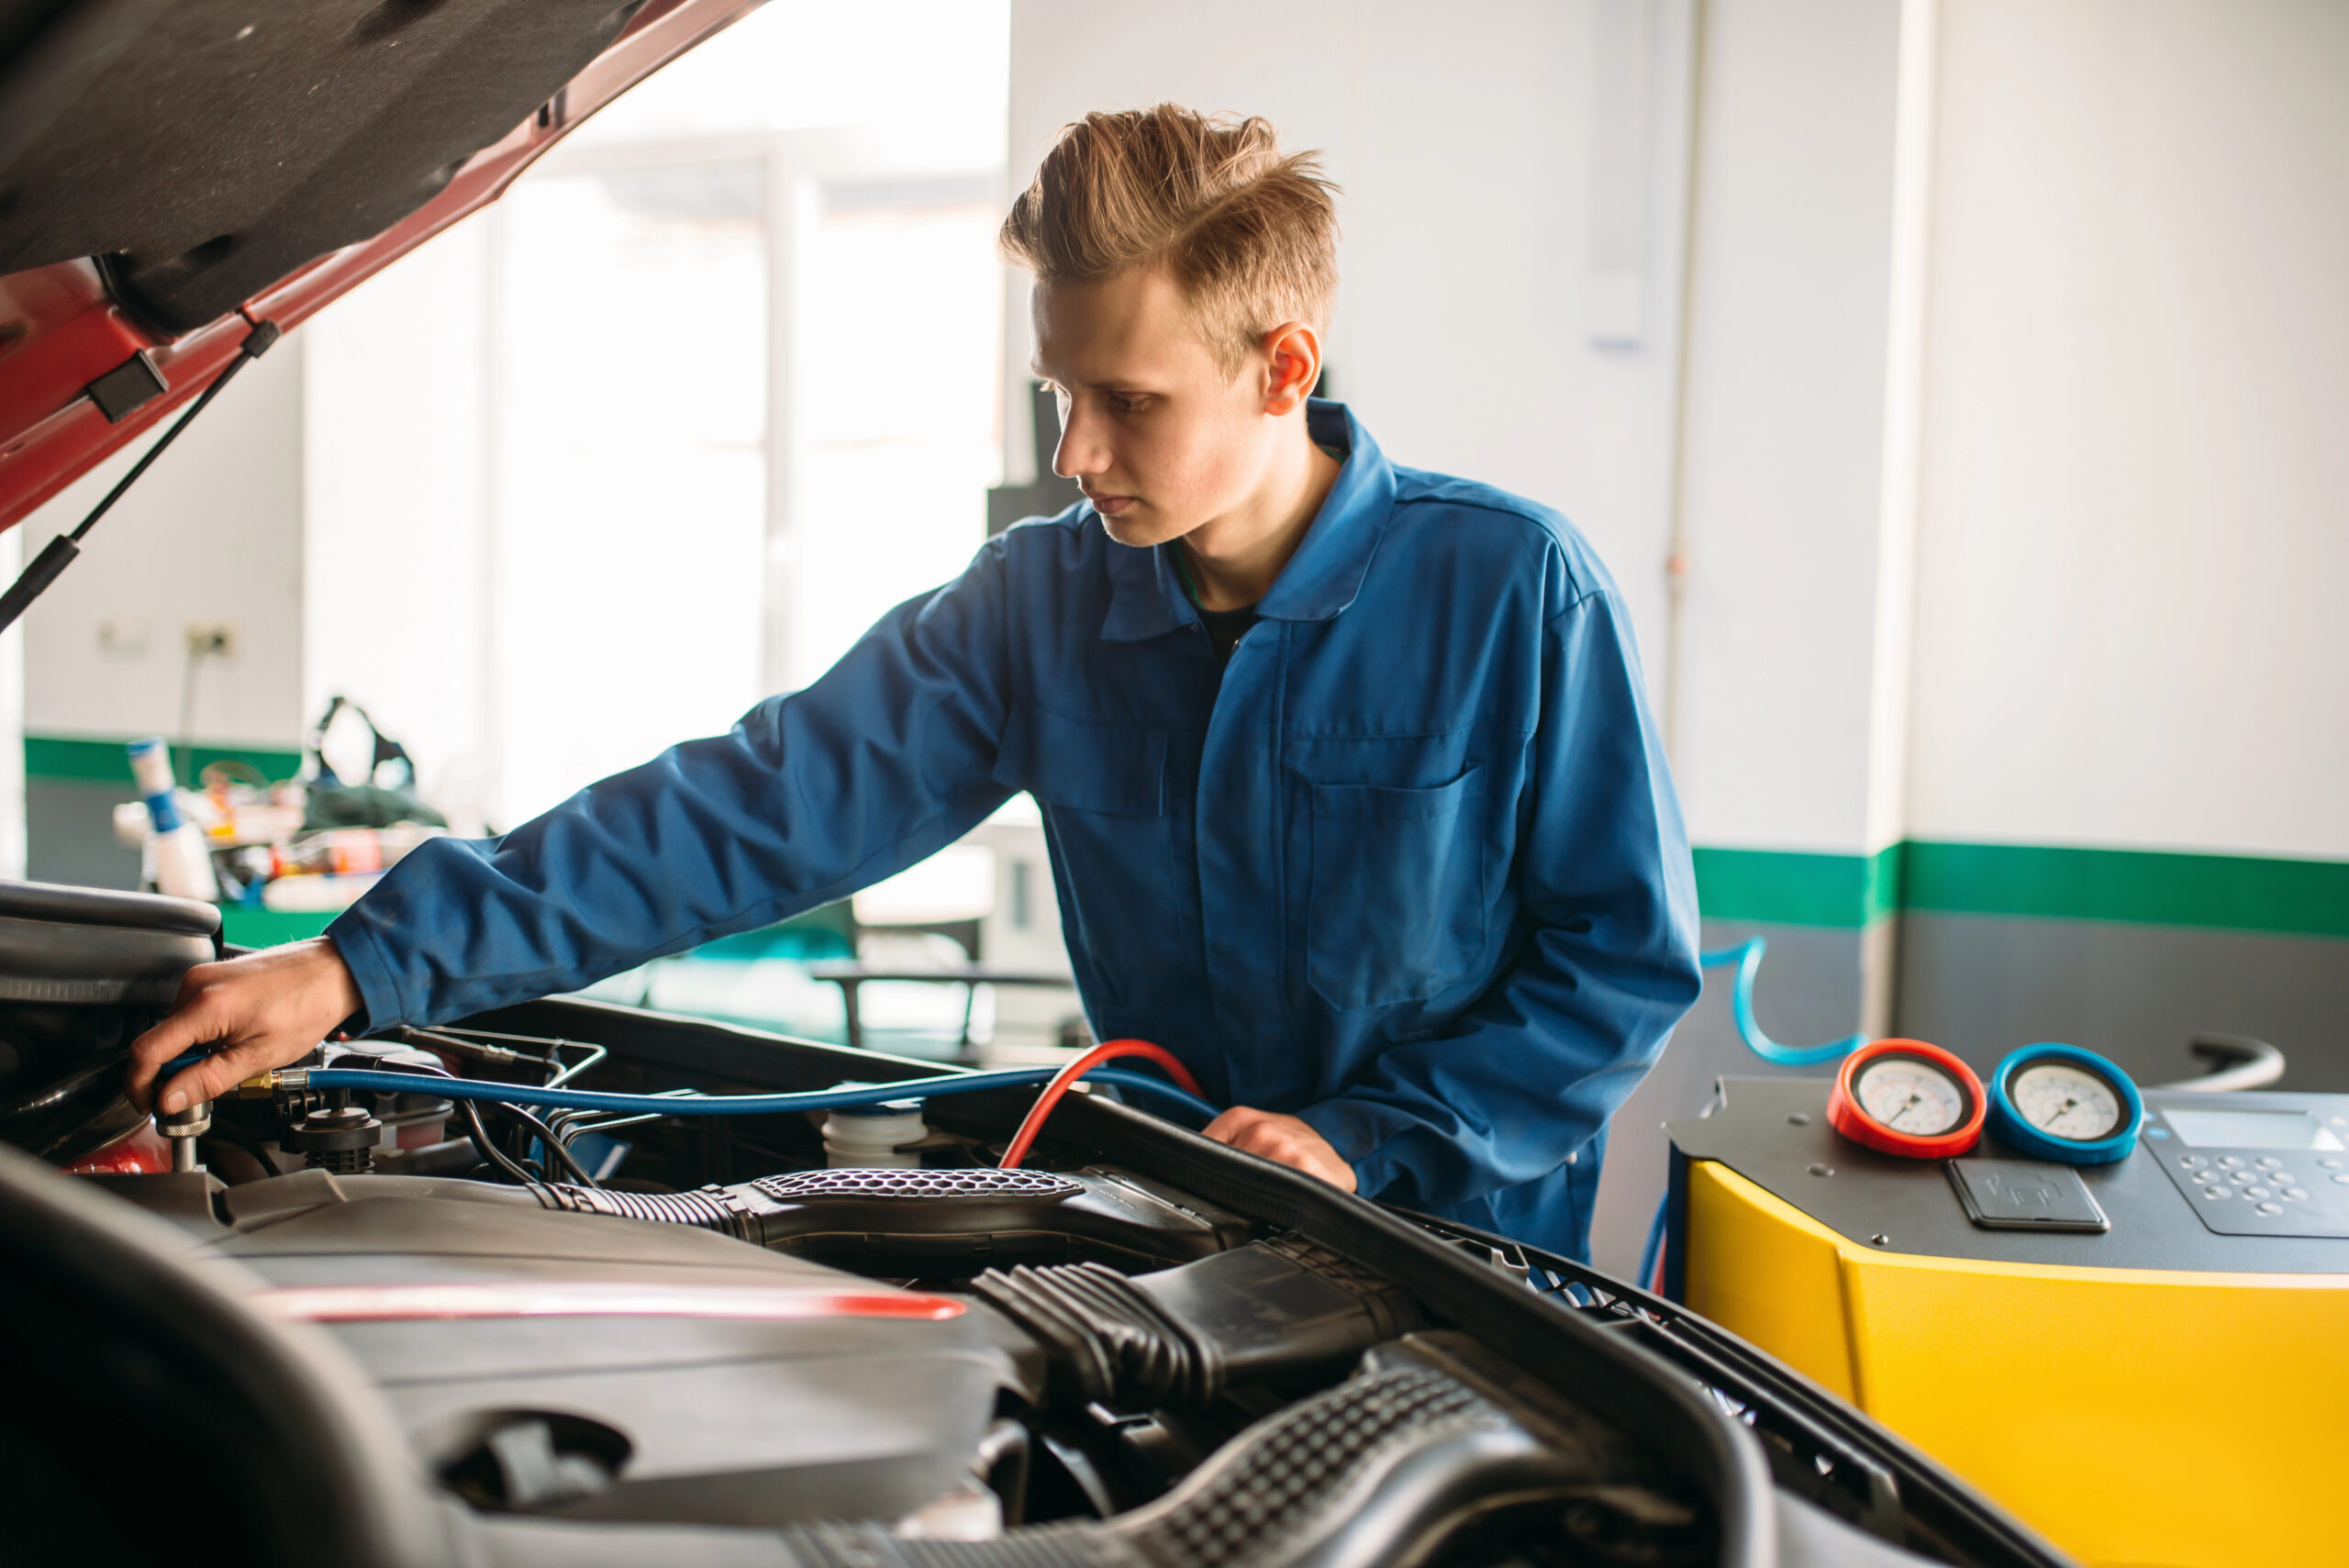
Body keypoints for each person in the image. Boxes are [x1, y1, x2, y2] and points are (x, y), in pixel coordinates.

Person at [127, 106, 1699, 1262]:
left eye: (1127, 401)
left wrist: (1368, 1142)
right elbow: (748, 808)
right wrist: (359, 969)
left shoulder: (1509, 591)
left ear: (1283, 368)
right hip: (1183, 1231)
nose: (1074, 455)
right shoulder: (1041, 607)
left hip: (1477, 1265)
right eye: (1058, 393)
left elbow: (1617, 969)